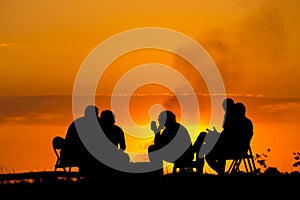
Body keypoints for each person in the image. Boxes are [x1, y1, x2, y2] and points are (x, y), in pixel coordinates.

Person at [61, 105, 104, 177]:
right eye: (97, 114)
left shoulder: (79, 122)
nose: (98, 117)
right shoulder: (86, 124)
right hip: (73, 155)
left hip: (71, 154)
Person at [147, 110, 194, 175]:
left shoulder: (173, 128)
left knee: (152, 149)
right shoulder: (172, 127)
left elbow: (159, 144)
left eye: (160, 119)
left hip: (182, 156)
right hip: (182, 155)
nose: (159, 121)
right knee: (153, 149)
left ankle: (157, 174)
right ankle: (157, 173)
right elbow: (158, 144)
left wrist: (157, 131)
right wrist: (156, 130)